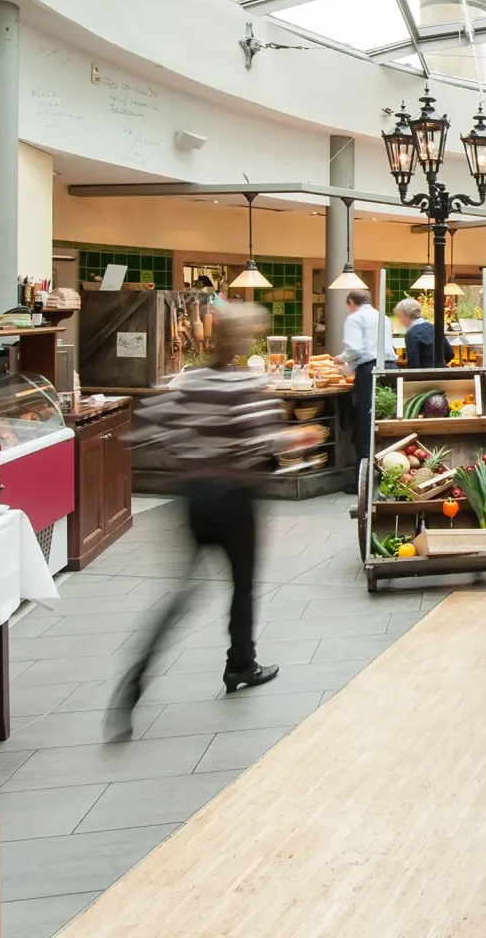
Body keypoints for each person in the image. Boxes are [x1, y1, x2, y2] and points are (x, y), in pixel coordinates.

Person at [108, 303, 304, 740]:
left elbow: (149, 428)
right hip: (235, 499)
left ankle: (136, 676)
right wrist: (298, 439)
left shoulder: (190, 381)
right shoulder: (246, 385)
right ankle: (240, 664)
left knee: (181, 594)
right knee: (243, 587)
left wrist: (190, 455)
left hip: (196, 499)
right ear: (241, 342)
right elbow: (266, 442)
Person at [340, 284, 380, 461]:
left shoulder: (355, 318)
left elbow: (354, 350)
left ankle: (361, 479)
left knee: (365, 422)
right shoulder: (382, 316)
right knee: (382, 421)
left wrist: (342, 360)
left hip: (369, 372)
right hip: (389, 369)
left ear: (351, 302)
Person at [396, 296, 437, 368]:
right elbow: (449, 353)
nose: (399, 320)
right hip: (441, 375)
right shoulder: (434, 328)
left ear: (406, 315)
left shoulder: (412, 334)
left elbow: (413, 364)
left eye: (399, 316)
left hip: (423, 377)